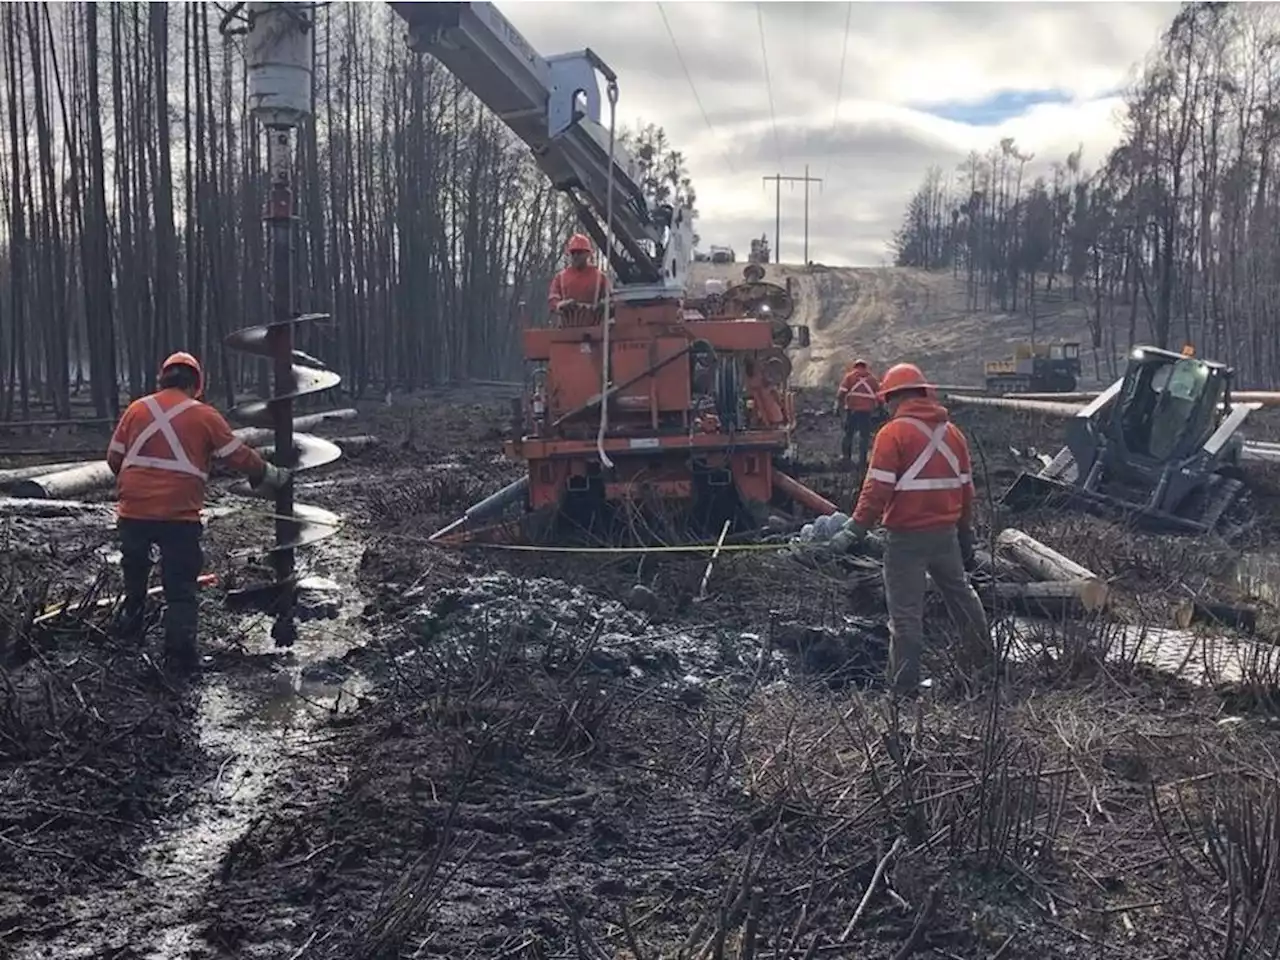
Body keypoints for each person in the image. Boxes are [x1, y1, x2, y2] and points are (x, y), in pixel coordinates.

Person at [107, 352, 290, 670]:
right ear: (197, 383)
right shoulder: (204, 415)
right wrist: (269, 474)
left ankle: (127, 631)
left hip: (133, 509)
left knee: (134, 572)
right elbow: (237, 456)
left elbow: (113, 459)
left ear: (163, 378)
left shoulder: (137, 409)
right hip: (179, 514)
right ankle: (179, 659)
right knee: (180, 587)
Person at [833, 362, 990, 695]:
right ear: (923, 392)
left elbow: (876, 490)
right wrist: (966, 535)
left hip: (906, 540)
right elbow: (966, 490)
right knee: (963, 597)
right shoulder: (953, 434)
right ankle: (985, 666)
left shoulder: (893, 434)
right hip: (946, 535)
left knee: (905, 616)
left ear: (894, 397)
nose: (887, 406)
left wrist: (854, 531)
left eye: (887, 399)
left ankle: (903, 691)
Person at [547, 233, 610, 327]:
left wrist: (604, 305)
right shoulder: (560, 277)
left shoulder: (600, 277)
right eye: (573, 253)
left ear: (588, 254)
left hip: (595, 332)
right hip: (565, 332)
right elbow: (552, 299)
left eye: (579, 252)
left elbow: (612, 299)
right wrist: (561, 305)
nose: (576, 256)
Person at [835, 359, 880, 467]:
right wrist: (880, 409)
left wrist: (838, 407)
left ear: (855, 366)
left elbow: (841, 394)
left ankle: (846, 458)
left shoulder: (850, 377)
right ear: (866, 367)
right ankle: (862, 460)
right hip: (866, 412)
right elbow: (880, 396)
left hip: (852, 410)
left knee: (848, 434)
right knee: (864, 436)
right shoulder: (873, 380)